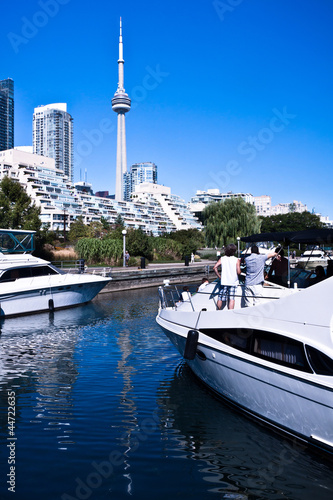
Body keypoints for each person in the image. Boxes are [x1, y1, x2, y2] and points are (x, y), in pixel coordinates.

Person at [213, 243, 241, 310]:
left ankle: (218, 311)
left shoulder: (222, 258)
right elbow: (238, 272)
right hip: (233, 282)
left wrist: (219, 276)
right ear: (234, 251)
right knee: (231, 299)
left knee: (220, 298)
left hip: (224, 281)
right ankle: (230, 313)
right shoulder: (236, 260)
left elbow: (214, 268)